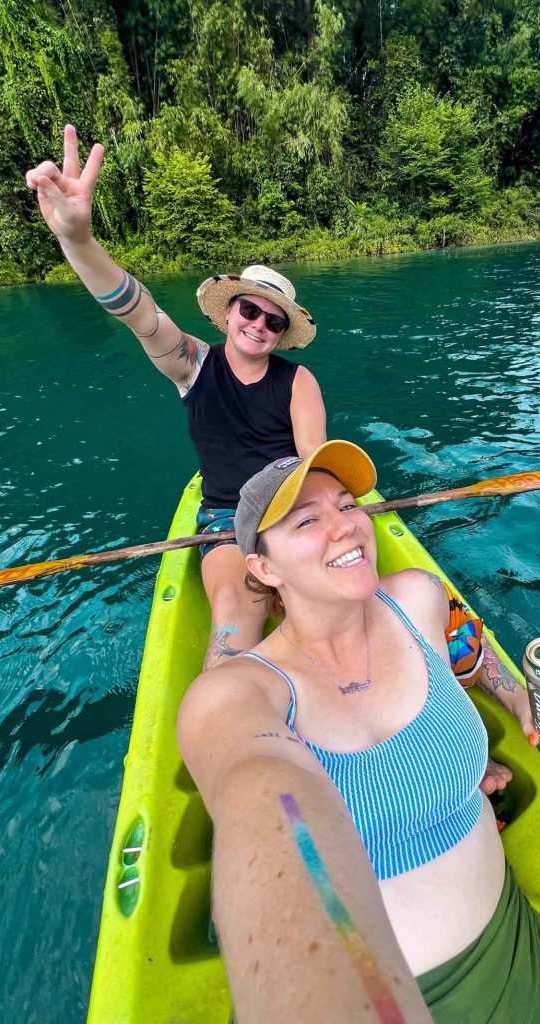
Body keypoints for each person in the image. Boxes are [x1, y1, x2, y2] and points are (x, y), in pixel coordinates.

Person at [177, 440, 540, 1023]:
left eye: (347, 505)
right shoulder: (237, 695)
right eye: (307, 521)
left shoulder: (417, 598)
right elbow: (262, 802)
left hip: (518, 951)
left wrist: (516, 697)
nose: (345, 526)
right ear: (264, 568)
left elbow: (468, 651)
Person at [25, 125, 327, 668]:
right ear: (229, 311)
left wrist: (307, 527)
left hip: (290, 508)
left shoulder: (298, 381)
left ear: (282, 334)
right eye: (249, 310)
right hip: (225, 520)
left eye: (273, 321)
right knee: (238, 610)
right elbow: (138, 312)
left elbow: (315, 465)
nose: (258, 325)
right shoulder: (193, 364)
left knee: (346, 596)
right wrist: (79, 241)